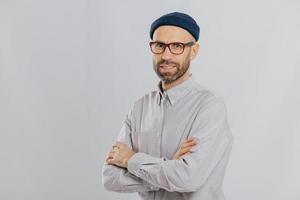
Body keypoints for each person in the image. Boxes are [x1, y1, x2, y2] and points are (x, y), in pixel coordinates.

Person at [102, 12, 233, 200]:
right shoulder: (139, 108)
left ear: (193, 51)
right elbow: (110, 178)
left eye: (177, 46)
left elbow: (188, 178)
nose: (166, 55)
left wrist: (131, 160)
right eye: (159, 45)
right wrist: (170, 166)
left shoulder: (210, 106)